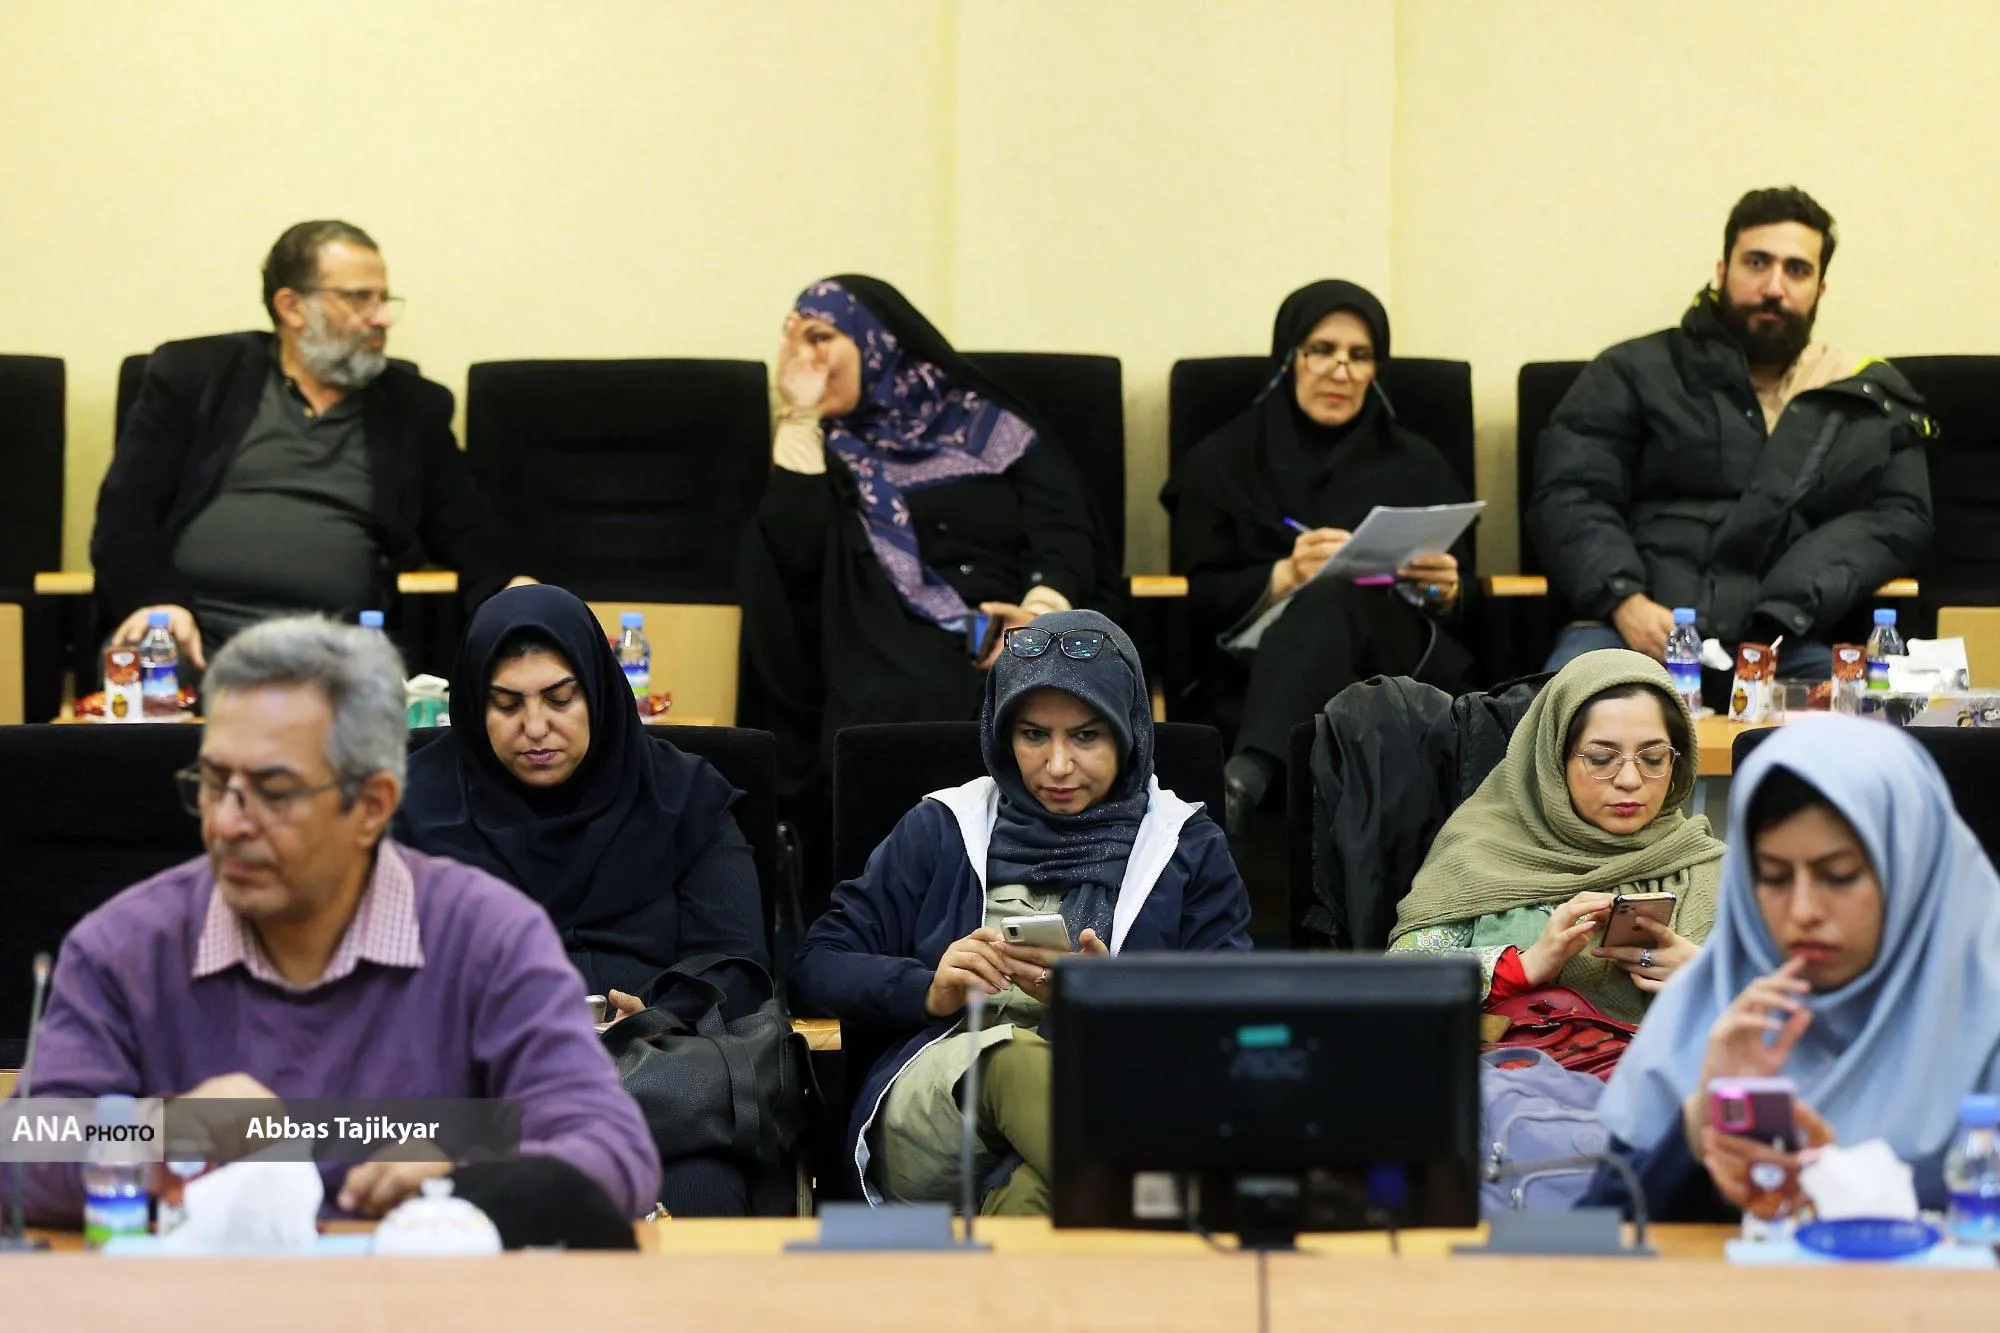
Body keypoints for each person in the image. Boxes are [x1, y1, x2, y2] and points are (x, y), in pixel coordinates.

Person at [4, 616, 659, 1225]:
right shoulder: (126, 944)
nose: (228, 822)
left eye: (274, 792)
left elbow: (615, 1152)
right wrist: (172, 1135)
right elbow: (24, 1146)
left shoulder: (489, 938)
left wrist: (475, 1171)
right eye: (214, 782)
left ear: (372, 805)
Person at [788, 611, 1252, 1211]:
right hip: (942, 1114)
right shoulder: (944, 826)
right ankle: (1167, 1205)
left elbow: (1232, 1012)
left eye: (1085, 736)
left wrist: (1114, 998)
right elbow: (816, 967)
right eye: (1034, 735)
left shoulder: (1184, 845)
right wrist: (929, 989)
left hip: (1107, 1094)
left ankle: (1053, 1221)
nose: (1057, 765)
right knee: (1010, 1058)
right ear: (1002, 734)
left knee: (1037, 1194)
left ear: (1129, 732)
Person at [738, 275, 1118, 885]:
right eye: (793, 341)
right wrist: (799, 417)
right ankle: (899, 905)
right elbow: (792, 553)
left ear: (876, 343)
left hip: (1023, 620)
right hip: (888, 633)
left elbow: (1064, 527)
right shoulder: (822, 446)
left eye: (820, 337)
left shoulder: (988, 424)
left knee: (1049, 689)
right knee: (900, 700)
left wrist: (1038, 614)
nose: (802, 358)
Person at [1593, 717, 2000, 1220]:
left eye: (1839, 876)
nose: (1803, 910)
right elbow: (1600, 1231)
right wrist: (1698, 1129)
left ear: (1915, 873)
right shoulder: (1714, 1008)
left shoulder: (1985, 1011)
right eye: (1774, 877)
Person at [1530, 187, 1933, 680]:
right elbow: (1570, 494)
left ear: (1820, 289)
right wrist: (1624, 600)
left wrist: (1784, 608)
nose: (1774, 287)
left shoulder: (1866, 397)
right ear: (1722, 271)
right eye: (1757, 263)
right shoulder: (1632, 371)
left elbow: (1901, 519)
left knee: (1870, 726)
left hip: (1786, 640)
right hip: (1629, 631)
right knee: (1576, 714)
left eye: (1797, 270)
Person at [90, 219, 529, 671]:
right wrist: (156, 604)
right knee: (147, 675)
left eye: (383, 299)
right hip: (194, 639)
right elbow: (125, 517)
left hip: (338, 648)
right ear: (292, 307)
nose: (381, 317)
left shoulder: (411, 408)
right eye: (359, 298)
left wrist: (515, 591)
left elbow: (467, 529)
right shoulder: (195, 377)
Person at [1161, 280, 1473, 833]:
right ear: (1289, 359)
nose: (1341, 371)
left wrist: (1443, 590)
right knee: (1328, 611)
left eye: (1360, 355)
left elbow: (1457, 595)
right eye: (1322, 351)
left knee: (1337, 594)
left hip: (1392, 658)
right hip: (1261, 664)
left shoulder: (1419, 464)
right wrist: (1284, 575)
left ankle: (1248, 776)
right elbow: (1198, 595)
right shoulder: (1225, 461)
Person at [395, 583, 767, 998]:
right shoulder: (411, 810)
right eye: (507, 705)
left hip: (654, 1038)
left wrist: (664, 1016)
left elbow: (738, 968)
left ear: (598, 693)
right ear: (473, 708)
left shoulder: (683, 800)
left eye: (560, 699)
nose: (536, 728)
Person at [1389, 650, 1724, 1023]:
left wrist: (1712, 974)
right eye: (1601, 759)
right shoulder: (1481, 853)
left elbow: (1772, 997)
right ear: (1553, 761)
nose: (1630, 780)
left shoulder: (1708, 865)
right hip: (1515, 1058)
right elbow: (1398, 982)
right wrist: (1524, 967)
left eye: (1653, 759)